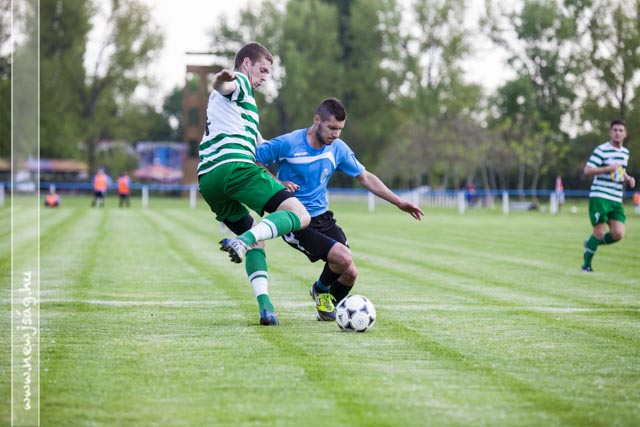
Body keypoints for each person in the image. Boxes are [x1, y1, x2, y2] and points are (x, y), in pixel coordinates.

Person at [256, 97, 424, 320]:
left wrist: (399, 202)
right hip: (296, 220)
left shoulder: (337, 149)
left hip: (323, 217)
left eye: (340, 129)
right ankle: (320, 291)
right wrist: (278, 183)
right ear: (317, 120)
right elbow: (255, 159)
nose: (336, 134)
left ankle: (327, 308)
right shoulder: (288, 143)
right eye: (332, 128)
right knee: (343, 258)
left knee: (350, 273)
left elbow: (365, 177)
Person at [197, 41, 310, 326]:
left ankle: (266, 308)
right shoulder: (240, 84)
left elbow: (261, 147)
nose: (264, 78)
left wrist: (278, 178)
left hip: (208, 180)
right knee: (300, 215)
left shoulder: (240, 112)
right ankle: (242, 241)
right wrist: (222, 78)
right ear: (246, 64)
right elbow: (224, 85)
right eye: (263, 70)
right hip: (234, 168)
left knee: (257, 237)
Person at [581, 118, 635, 272]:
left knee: (618, 234)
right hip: (600, 196)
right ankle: (586, 265)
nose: (618, 133)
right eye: (615, 130)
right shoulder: (601, 150)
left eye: (621, 130)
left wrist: (628, 178)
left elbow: (620, 170)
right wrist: (607, 168)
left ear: (625, 134)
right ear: (610, 132)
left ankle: (591, 243)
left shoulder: (625, 153)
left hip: (616, 198)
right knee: (598, 232)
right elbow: (587, 170)